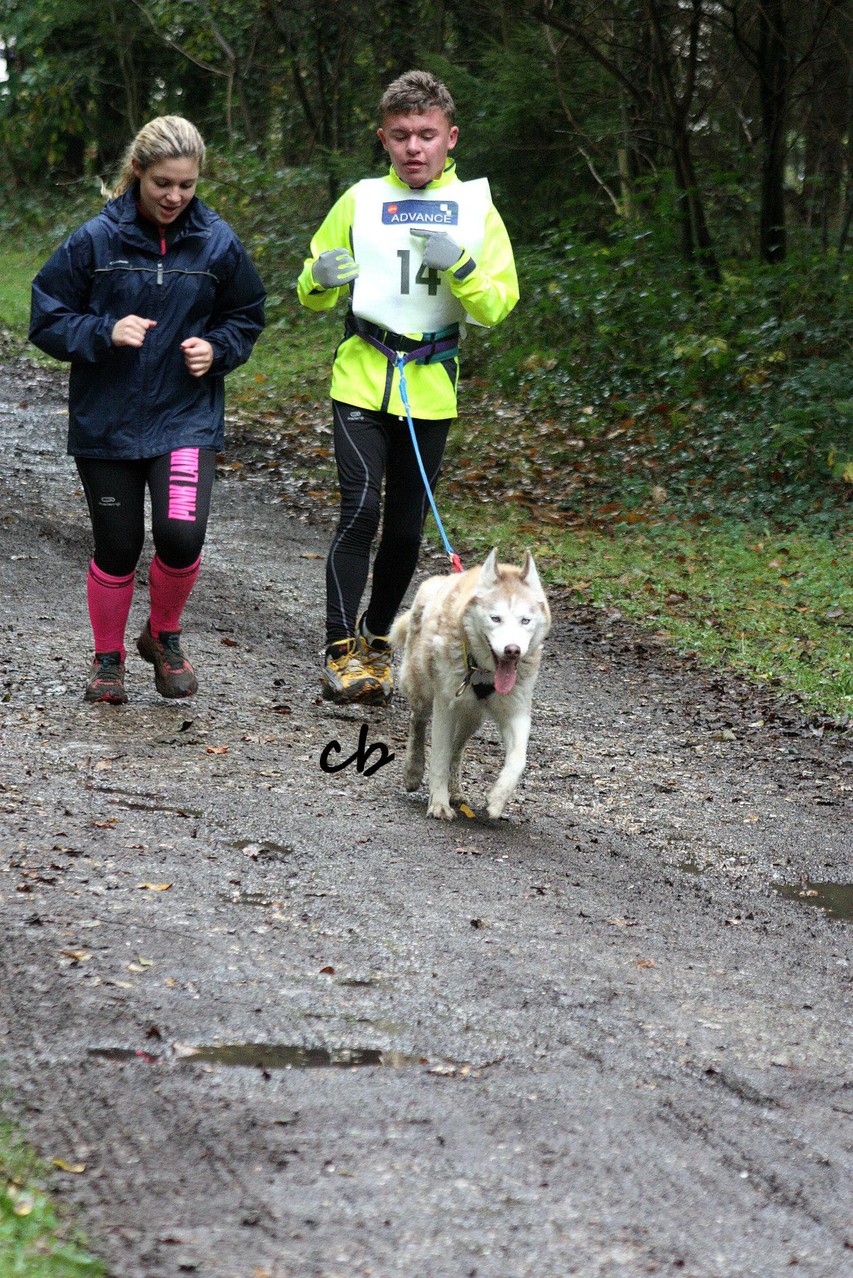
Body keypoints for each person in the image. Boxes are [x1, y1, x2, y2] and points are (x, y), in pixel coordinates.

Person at [297, 69, 518, 706]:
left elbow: (499, 304)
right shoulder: (360, 199)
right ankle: (340, 650)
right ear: (384, 140)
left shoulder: (477, 208)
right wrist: (319, 278)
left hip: (430, 385)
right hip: (362, 376)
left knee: (403, 530)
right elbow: (312, 288)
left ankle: (375, 639)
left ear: (451, 138)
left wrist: (465, 265)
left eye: (426, 135)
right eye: (400, 137)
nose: (413, 148)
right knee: (360, 508)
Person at [30, 115, 266, 705]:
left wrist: (218, 349)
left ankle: (163, 636)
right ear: (137, 171)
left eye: (186, 185)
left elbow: (246, 315)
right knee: (116, 545)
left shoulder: (217, 242)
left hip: (185, 419)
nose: (174, 196)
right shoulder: (94, 241)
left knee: (181, 536)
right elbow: (47, 317)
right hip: (106, 421)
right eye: (163, 182)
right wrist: (104, 331)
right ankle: (106, 660)